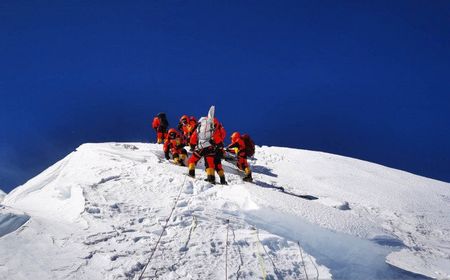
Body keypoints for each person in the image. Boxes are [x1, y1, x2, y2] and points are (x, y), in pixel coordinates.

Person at [187, 114, 227, 185]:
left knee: (192, 160)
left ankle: (191, 174)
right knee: (210, 163)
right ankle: (211, 178)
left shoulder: (200, 129)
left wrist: (193, 146)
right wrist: (219, 145)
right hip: (211, 149)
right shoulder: (213, 130)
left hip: (201, 148)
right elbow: (218, 139)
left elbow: (193, 138)